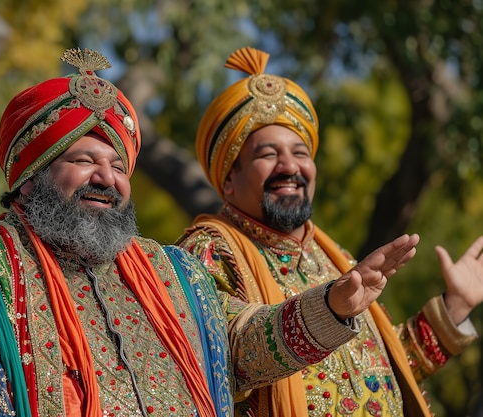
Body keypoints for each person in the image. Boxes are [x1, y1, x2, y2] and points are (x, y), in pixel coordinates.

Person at [0, 48, 420, 417]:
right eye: (82, 160)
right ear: (30, 175)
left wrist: (334, 308)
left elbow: (241, 351)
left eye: (119, 166)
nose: (107, 177)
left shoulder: (173, 272)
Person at [176, 46, 483, 417]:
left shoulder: (328, 253)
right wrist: (327, 311)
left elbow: (382, 375)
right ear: (228, 180)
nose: (290, 166)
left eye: (301, 153)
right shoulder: (206, 251)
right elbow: (230, 355)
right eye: (267, 154)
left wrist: (455, 308)